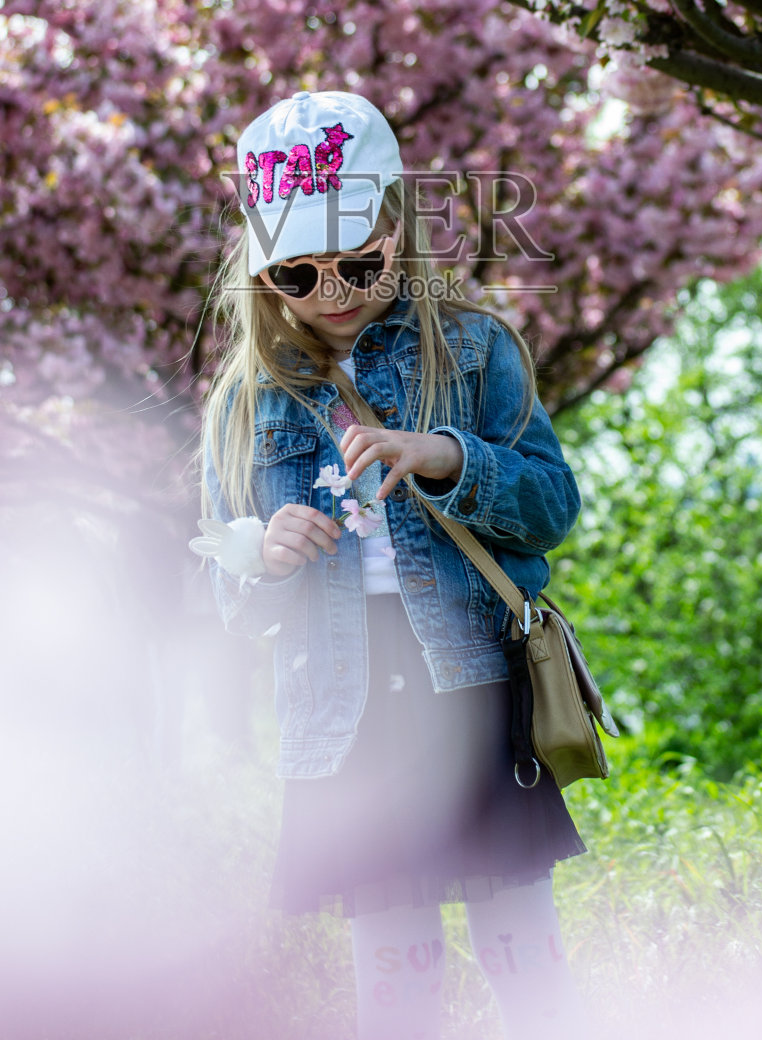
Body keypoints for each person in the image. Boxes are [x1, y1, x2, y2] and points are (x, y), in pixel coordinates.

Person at [199, 88, 586, 1040]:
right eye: (297, 272)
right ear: (263, 276)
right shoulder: (244, 405)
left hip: (472, 679)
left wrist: (449, 457)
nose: (332, 289)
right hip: (345, 702)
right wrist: (264, 562)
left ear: (395, 235)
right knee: (395, 971)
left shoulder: (473, 351)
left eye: (358, 262)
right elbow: (223, 593)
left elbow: (551, 508)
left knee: (521, 951)